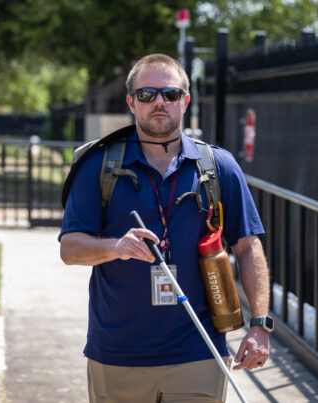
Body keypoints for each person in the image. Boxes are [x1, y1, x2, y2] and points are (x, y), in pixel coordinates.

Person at [59, 53, 271, 403]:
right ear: (131, 102)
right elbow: (70, 248)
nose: (159, 102)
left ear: (185, 101)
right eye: (147, 94)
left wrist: (260, 325)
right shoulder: (97, 166)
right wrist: (116, 247)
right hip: (117, 355)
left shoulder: (219, 166)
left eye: (170, 94)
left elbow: (248, 247)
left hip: (199, 351)